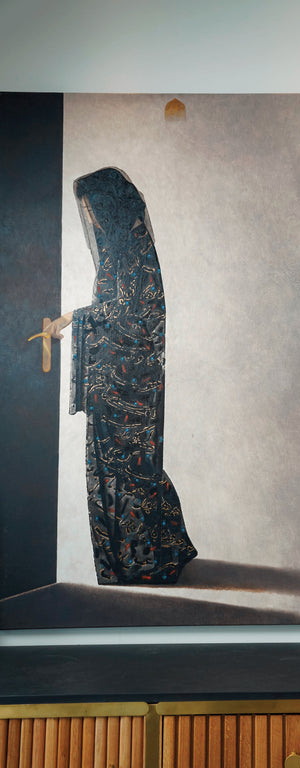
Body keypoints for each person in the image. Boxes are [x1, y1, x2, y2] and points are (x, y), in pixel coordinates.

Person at [47, 167, 197, 584]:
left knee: (128, 468)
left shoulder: (128, 247)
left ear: (107, 205)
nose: (90, 218)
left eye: (92, 209)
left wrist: (68, 318)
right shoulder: (127, 245)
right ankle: (156, 555)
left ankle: (145, 563)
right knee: (129, 467)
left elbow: (125, 312)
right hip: (123, 374)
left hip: (127, 379)